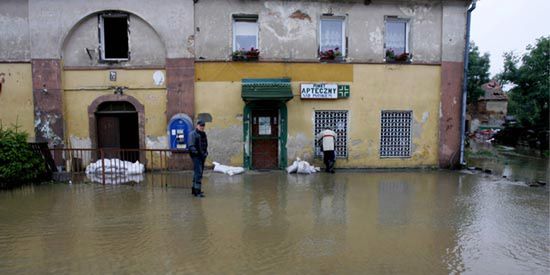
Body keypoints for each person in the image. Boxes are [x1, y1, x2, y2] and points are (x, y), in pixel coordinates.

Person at [188, 119, 208, 197]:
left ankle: (194, 190)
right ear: (197, 125)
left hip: (202, 156)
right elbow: (191, 146)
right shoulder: (192, 134)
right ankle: (197, 192)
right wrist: (197, 153)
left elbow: (205, 144)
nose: (202, 127)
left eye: (203, 126)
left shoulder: (203, 134)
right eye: (201, 125)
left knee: (198, 172)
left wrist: (205, 153)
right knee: (198, 173)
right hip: (196, 157)